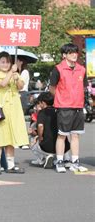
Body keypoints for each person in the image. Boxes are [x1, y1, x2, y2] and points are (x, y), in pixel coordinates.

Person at [50, 43, 88, 173]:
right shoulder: (58, 69)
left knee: (76, 135)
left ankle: (75, 162)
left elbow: (83, 86)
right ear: (64, 55)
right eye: (71, 52)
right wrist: (61, 98)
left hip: (78, 106)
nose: (74, 55)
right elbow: (52, 88)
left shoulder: (81, 69)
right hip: (64, 107)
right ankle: (59, 161)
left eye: (76, 52)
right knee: (62, 135)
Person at [0, 51, 29, 175]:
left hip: (14, 110)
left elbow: (21, 86)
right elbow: (2, 84)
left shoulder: (14, 74)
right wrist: (11, 72)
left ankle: (11, 165)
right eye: (2, 62)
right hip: (0, 110)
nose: (5, 64)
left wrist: (17, 77)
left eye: (7, 62)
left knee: (11, 138)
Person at [29, 92, 70, 168]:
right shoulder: (58, 111)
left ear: (43, 103)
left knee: (32, 139)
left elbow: (40, 126)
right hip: (64, 147)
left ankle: (42, 159)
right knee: (63, 138)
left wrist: (40, 137)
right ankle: (66, 159)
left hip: (46, 147)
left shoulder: (42, 112)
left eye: (39, 103)